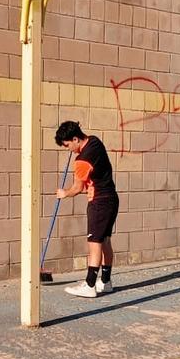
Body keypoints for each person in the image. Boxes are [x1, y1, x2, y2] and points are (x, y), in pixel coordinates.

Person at [54, 120, 119, 298]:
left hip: (99, 202)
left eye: (68, 145)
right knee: (105, 240)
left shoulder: (81, 160)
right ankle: (105, 282)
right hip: (112, 198)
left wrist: (63, 193)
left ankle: (90, 285)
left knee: (94, 242)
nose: (69, 149)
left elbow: (77, 188)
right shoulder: (95, 141)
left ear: (75, 138)